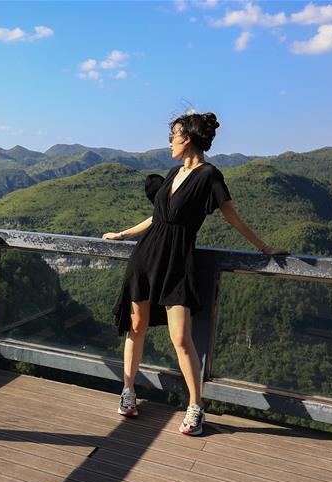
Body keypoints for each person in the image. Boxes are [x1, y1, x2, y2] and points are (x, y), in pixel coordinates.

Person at [103, 112, 287, 436]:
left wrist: (263, 246)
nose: (170, 141)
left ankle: (196, 406)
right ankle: (129, 391)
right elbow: (157, 217)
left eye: (173, 135)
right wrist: (123, 234)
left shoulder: (209, 176)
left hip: (177, 263)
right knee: (136, 326)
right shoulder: (174, 172)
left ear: (186, 138)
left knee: (180, 339)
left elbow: (232, 215)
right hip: (145, 258)